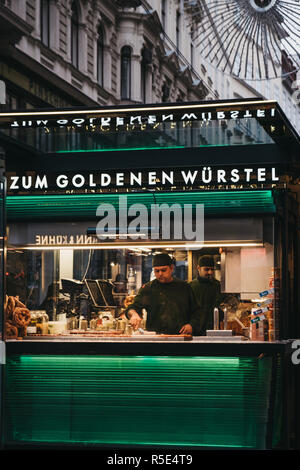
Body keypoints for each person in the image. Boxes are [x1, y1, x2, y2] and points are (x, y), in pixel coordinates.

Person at [124, 253, 201, 335]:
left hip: (180, 337)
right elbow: (132, 307)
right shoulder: (148, 289)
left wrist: (191, 325)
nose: (160, 274)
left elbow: (197, 312)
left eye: (163, 270)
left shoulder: (184, 287)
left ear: (171, 268)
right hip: (155, 339)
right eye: (157, 271)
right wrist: (134, 314)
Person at [189, 255, 223, 335]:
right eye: (206, 269)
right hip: (195, 331)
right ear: (198, 268)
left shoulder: (218, 286)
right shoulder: (190, 286)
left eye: (212, 269)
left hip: (215, 331)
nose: (210, 272)